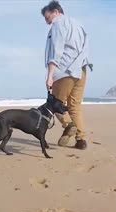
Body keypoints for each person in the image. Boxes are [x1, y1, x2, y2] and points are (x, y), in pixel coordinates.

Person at [41, 0, 92, 150]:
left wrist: (50, 75)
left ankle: (68, 125)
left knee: (54, 104)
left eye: (47, 17)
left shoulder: (58, 23)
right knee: (74, 106)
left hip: (65, 70)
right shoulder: (78, 24)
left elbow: (56, 50)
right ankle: (81, 140)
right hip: (81, 69)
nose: (47, 22)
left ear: (56, 11)